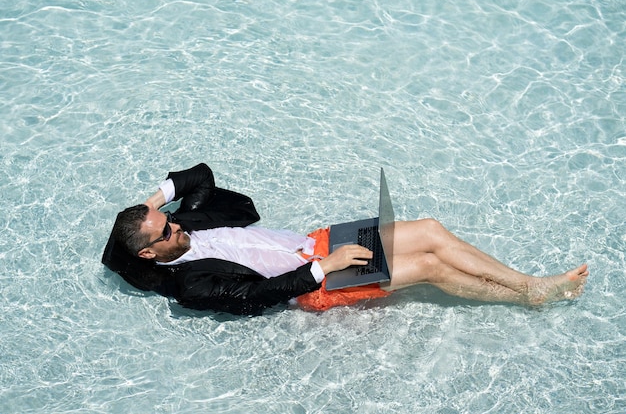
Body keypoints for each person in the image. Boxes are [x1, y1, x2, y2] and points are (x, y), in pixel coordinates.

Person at [102, 163, 589, 315]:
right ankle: (531, 295)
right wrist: (324, 268)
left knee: (431, 231)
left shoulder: (181, 224)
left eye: (168, 217)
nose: (177, 224)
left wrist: (153, 201)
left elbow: (199, 176)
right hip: (313, 281)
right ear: (149, 253)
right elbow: (254, 298)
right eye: (166, 230)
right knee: (431, 268)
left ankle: (529, 282)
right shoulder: (189, 284)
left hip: (318, 240)